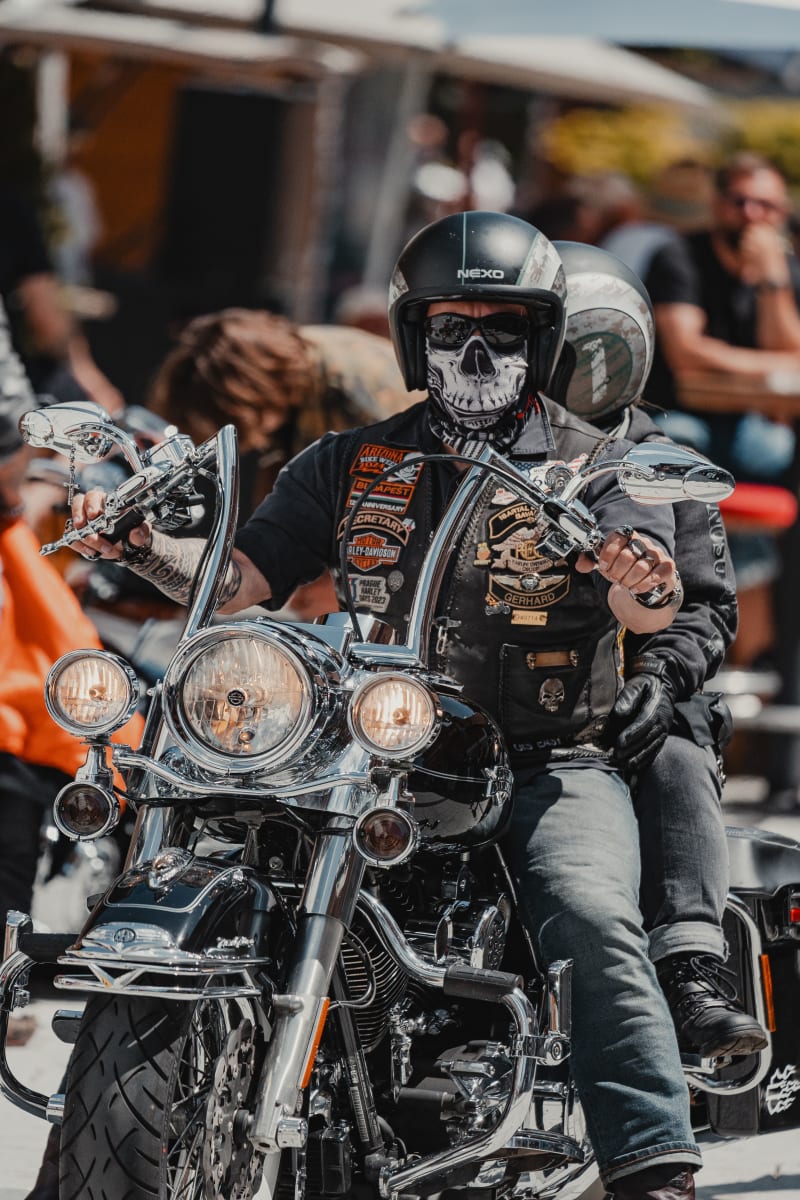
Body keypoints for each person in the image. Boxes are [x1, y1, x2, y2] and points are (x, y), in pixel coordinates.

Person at [70, 212, 698, 1200]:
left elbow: (645, 601)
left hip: (545, 757)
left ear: (544, 339)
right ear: (415, 338)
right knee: (227, 848)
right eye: (452, 327)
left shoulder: (604, 463)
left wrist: (639, 574)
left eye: (504, 326)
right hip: (372, 748)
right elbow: (241, 578)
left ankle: (650, 1163)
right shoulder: (350, 463)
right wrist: (144, 543)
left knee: (585, 908)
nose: (476, 350)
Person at [550, 239, 767, 1058]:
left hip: (610, 700)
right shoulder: (450, 449)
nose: (590, 371)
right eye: (572, 349)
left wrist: (656, 675)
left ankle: (691, 968)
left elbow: (704, 609)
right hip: (471, 687)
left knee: (677, 741)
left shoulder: (665, 465)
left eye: (607, 350)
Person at [147, 307, 419, 617]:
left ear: (250, 393)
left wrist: (342, 587)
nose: (251, 443)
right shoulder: (294, 371)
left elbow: (401, 510)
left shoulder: (350, 395)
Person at [644, 151, 800, 483]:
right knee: (683, 439)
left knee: (777, 448)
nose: (752, 214)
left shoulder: (784, 271)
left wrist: (772, 280)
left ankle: (755, 536)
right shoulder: (679, 256)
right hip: (678, 409)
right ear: (716, 203)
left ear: (781, 214)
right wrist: (776, 364)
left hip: (747, 416)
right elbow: (686, 352)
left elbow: (793, 352)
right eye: (739, 201)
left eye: (766, 205)